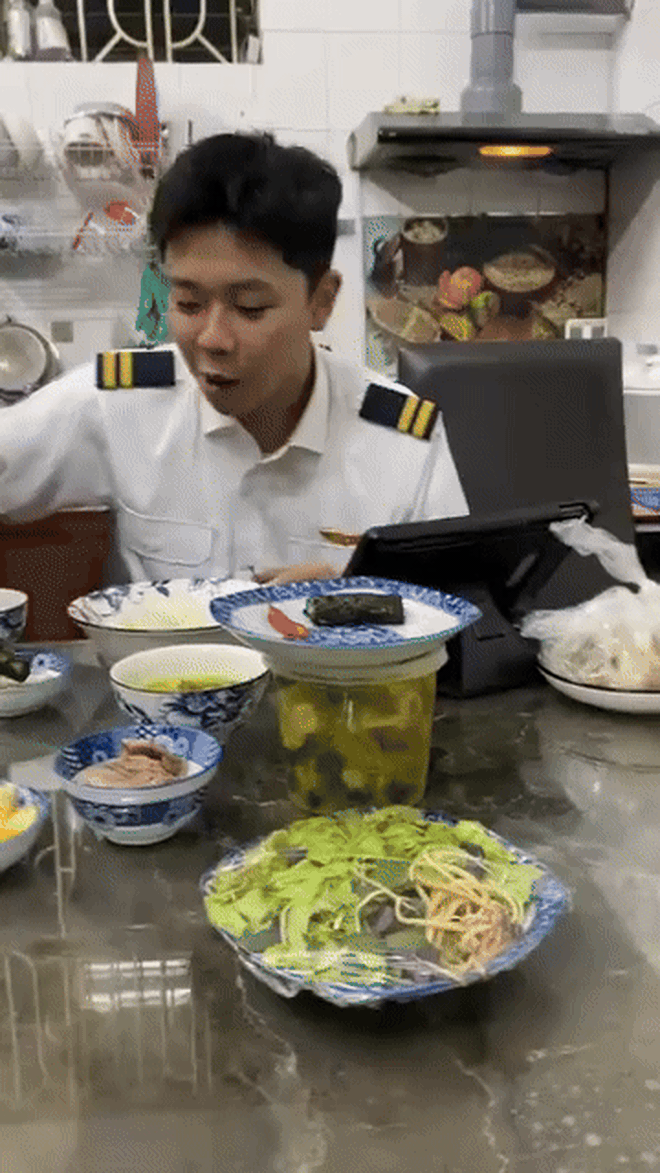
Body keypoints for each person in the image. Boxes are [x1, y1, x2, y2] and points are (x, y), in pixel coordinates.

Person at [0, 132, 468, 585]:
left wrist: (363, 601)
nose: (212, 339)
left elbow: (462, 610)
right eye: (188, 304)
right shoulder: (119, 405)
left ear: (322, 301)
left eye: (250, 308)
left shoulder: (402, 443)